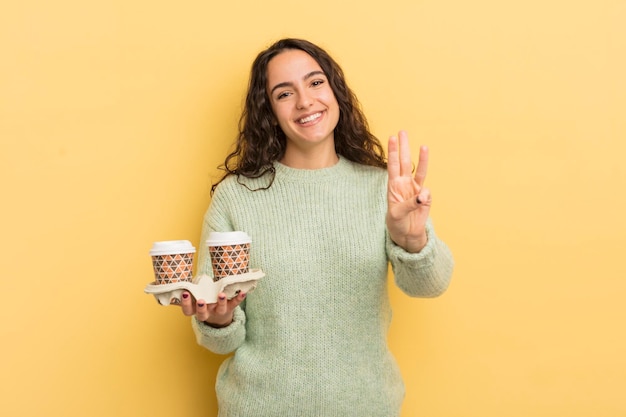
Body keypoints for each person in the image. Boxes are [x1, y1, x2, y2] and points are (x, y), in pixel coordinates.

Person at [180, 38, 454, 417]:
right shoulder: (237, 197)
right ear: (268, 111)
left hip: (366, 406)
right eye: (283, 93)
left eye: (314, 83)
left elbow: (430, 285)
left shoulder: (384, 189)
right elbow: (220, 339)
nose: (305, 102)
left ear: (335, 90)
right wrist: (219, 318)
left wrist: (411, 239)